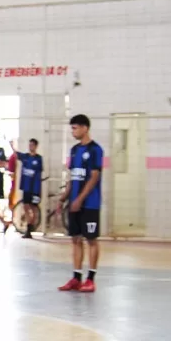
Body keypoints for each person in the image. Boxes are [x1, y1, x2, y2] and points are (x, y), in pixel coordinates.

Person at [59, 114, 105, 292]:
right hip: (74, 203)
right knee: (75, 239)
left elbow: (94, 177)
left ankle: (91, 279)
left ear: (85, 128)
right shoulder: (74, 150)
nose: (73, 131)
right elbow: (73, 177)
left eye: (75, 128)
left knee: (91, 239)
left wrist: (80, 199)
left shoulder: (95, 150)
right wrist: (64, 197)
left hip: (90, 203)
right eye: (72, 128)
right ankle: (76, 277)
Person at [14, 138, 45, 238]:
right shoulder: (25, 156)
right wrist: (12, 145)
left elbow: (39, 172)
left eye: (32, 145)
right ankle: (29, 226)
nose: (30, 146)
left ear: (36, 146)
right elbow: (16, 154)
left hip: (35, 188)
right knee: (26, 206)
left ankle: (30, 227)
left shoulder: (39, 159)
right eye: (29, 144)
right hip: (26, 187)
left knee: (34, 208)